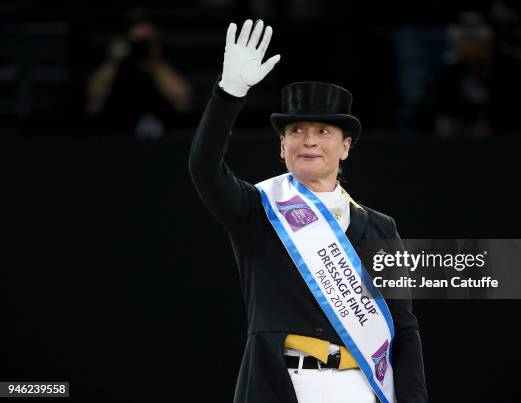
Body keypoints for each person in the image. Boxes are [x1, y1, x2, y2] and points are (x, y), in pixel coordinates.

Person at [188, 19, 427, 403]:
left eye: (323, 132)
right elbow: (203, 168)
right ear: (281, 147)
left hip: (359, 387)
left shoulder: (381, 227)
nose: (309, 141)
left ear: (345, 147)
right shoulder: (257, 208)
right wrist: (228, 94)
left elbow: (404, 329)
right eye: (296, 131)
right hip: (280, 386)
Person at [86, 13, 192, 138]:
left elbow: (184, 101)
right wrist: (113, 61)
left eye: (147, 41)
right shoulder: (115, 67)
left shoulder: (165, 64)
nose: (142, 46)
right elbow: (93, 103)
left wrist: (154, 62)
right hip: (118, 140)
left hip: (163, 142)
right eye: (137, 41)